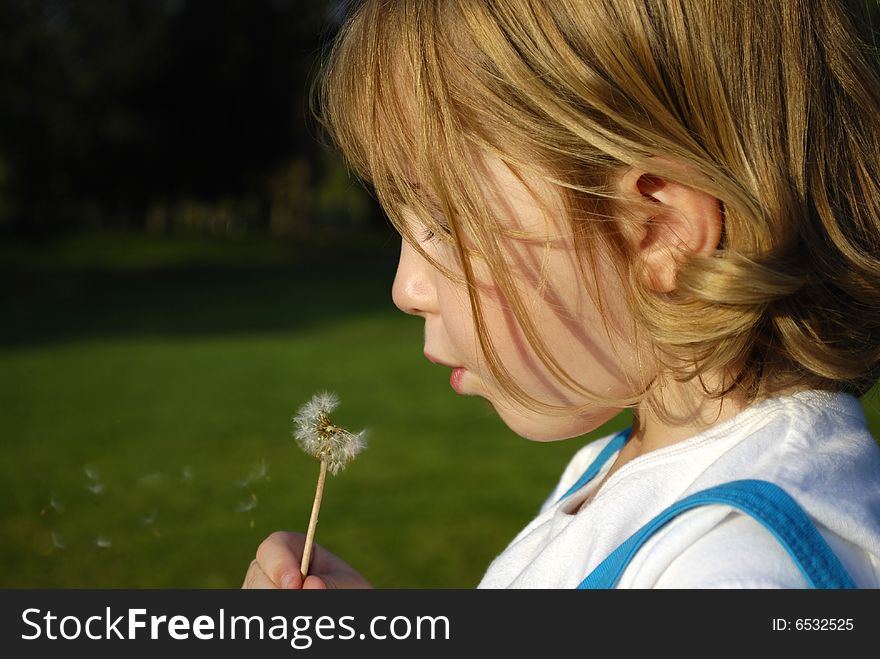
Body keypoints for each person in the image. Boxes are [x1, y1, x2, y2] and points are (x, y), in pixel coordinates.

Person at [242, 0, 880, 589]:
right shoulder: (627, 471)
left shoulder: (734, 568)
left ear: (660, 232)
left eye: (443, 221)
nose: (406, 289)